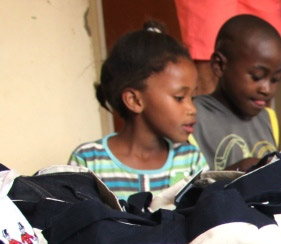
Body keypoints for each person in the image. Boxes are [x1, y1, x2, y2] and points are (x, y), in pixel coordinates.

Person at [68, 23, 208, 202]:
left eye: (193, 98)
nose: (192, 109)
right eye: (180, 97)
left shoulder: (190, 160)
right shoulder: (88, 161)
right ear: (135, 100)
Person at [190, 14, 281, 171]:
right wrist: (237, 172)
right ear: (219, 65)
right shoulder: (193, 117)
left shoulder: (269, 119)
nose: (266, 89)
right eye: (257, 77)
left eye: (275, 79)